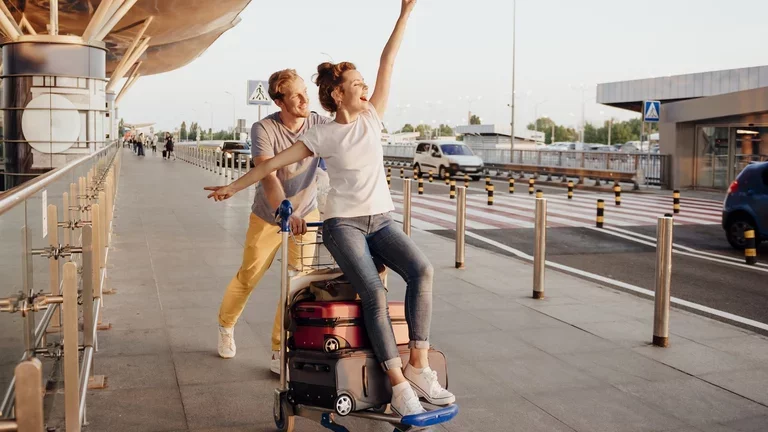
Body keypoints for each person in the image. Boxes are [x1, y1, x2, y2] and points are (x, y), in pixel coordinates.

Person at [206, 0, 454, 416]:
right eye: (356, 84)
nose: (365, 88)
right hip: (342, 225)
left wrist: (404, 15)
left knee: (422, 271)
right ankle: (397, 385)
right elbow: (269, 167)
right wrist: (232, 187)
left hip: (380, 220)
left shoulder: (372, 117)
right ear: (338, 94)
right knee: (371, 291)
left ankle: (419, 366)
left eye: (362, 83)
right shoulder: (320, 135)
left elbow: (387, 60)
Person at [203, 69, 332, 372]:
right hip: (269, 216)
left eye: (305, 92)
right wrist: (286, 212)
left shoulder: (318, 123)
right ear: (279, 101)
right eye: (296, 95)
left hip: (306, 214)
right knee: (249, 276)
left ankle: (280, 348)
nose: (305, 99)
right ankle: (226, 325)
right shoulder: (264, 129)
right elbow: (269, 176)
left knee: (295, 283)